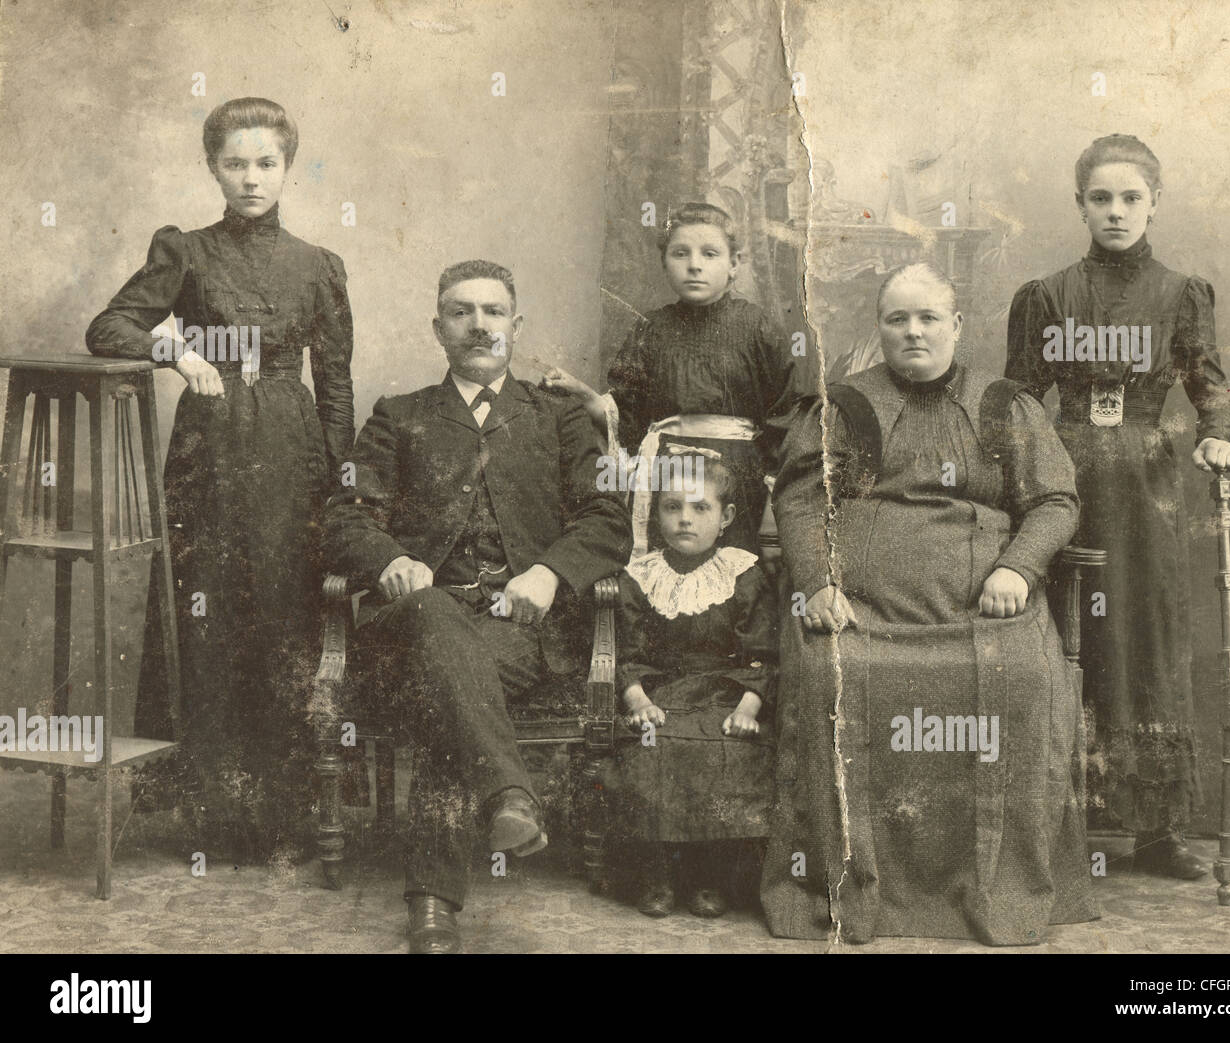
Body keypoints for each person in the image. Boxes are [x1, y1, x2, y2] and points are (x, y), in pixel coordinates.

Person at [761, 262, 1096, 945]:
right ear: (880, 328)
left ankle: (990, 884)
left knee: (1027, 679)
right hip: (865, 612)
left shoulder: (1005, 404)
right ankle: (856, 889)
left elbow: (1056, 500)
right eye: (897, 319)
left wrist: (1020, 567)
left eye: (928, 318)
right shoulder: (843, 406)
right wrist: (820, 583)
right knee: (833, 676)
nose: (913, 332)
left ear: (957, 326)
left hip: (982, 612)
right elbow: (800, 499)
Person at [322, 259, 631, 954]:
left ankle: (433, 903)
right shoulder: (397, 417)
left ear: (516, 326)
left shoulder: (559, 420)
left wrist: (551, 573)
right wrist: (390, 559)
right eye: (461, 311)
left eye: (494, 311)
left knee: (453, 689)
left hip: (516, 631)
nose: (479, 324)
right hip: (415, 619)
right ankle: (508, 797)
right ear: (439, 328)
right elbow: (343, 518)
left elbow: (609, 519)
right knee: (433, 617)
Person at [85, 97, 354, 861]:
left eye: (265, 162)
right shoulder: (185, 251)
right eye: (234, 163)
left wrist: (340, 482)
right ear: (212, 167)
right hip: (208, 455)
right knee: (205, 619)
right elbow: (109, 326)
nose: (250, 178)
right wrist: (176, 353)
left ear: (286, 167)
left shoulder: (318, 266)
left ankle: (284, 819)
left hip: (290, 454)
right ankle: (208, 815)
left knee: (283, 620)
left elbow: (335, 386)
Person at [1005, 134, 1230, 879]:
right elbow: (1016, 399)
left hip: (1145, 489)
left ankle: (1158, 830)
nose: (1115, 212)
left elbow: (1208, 382)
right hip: (1062, 478)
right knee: (1062, 640)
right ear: (1080, 205)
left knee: (1147, 637)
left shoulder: (1181, 293)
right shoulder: (1045, 296)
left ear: (1155, 203)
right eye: (1100, 198)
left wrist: (1218, 436)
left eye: (1131, 198)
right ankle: (1056, 819)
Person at [543, 202, 800, 556]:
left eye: (710, 254)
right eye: (681, 253)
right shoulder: (652, 329)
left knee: (733, 583)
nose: (694, 265)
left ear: (734, 264)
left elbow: (784, 417)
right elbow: (626, 417)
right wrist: (585, 394)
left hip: (736, 479)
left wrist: (772, 496)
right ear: (665, 263)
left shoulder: (757, 328)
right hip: (664, 475)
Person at [609, 451, 778, 919]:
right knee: (651, 744)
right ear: (655, 512)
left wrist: (748, 707)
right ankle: (656, 872)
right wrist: (637, 699)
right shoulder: (641, 577)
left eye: (700, 508)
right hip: (660, 689)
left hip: (725, 690)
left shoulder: (743, 573)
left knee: (724, 748)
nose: (685, 519)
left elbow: (761, 651)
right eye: (672, 507)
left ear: (724, 518)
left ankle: (710, 875)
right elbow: (627, 653)